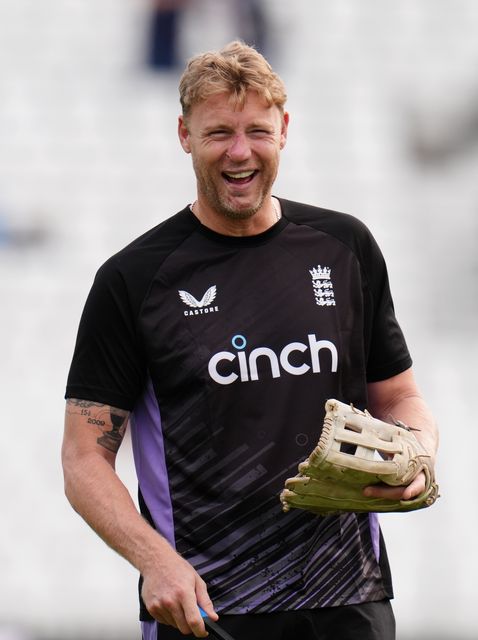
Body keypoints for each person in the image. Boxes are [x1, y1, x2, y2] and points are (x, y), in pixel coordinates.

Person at [62, 40, 439, 640]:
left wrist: (418, 451)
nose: (240, 153)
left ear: (284, 129)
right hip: (209, 611)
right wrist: (154, 561)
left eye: (257, 131)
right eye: (218, 133)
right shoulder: (134, 280)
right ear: (184, 135)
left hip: (349, 599)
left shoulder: (344, 248)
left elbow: (397, 396)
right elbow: (84, 460)